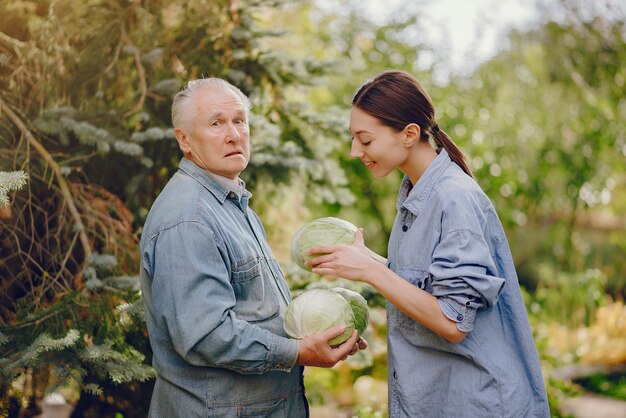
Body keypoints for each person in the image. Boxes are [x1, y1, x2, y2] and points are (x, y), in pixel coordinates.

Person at [306, 70, 550, 417]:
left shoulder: (454, 198)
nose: (354, 151)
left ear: (409, 134)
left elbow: (454, 323)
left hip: (475, 404)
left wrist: (372, 274)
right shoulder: (415, 196)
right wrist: (368, 262)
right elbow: (425, 285)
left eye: (365, 139)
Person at [139, 77, 365, 418]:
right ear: (184, 140)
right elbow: (205, 335)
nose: (233, 134)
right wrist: (297, 352)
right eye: (216, 123)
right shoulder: (189, 219)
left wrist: (322, 335)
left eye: (239, 121)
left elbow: (256, 313)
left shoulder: (231, 205)